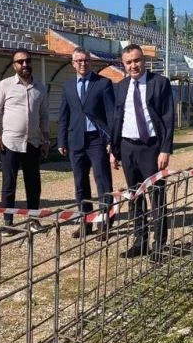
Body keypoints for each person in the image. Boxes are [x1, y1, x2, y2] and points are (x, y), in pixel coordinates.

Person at [110, 44, 174, 261]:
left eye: (136, 60)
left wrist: (165, 149)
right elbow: (117, 119)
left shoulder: (160, 83)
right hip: (128, 147)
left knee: (157, 197)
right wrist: (114, 150)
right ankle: (140, 242)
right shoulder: (121, 87)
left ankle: (159, 245)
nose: (133, 66)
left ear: (144, 60)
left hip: (152, 148)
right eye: (128, 62)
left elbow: (168, 118)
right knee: (135, 197)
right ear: (123, 64)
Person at [0, 49, 50, 234]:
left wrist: (46, 139)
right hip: (10, 143)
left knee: (33, 185)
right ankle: (8, 222)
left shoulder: (40, 88)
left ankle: (33, 220)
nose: (25, 64)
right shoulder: (5, 85)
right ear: (14, 65)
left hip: (33, 143)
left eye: (28, 61)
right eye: (20, 61)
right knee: (9, 184)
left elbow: (44, 115)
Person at [58, 48, 114, 239]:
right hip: (76, 141)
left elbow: (111, 115)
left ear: (90, 62)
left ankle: (105, 223)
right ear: (73, 63)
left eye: (86, 60)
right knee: (80, 184)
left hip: (97, 140)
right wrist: (62, 140)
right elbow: (64, 115)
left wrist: (111, 140)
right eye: (79, 61)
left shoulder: (103, 83)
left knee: (103, 182)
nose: (83, 64)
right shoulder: (67, 86)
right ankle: (86, 222)